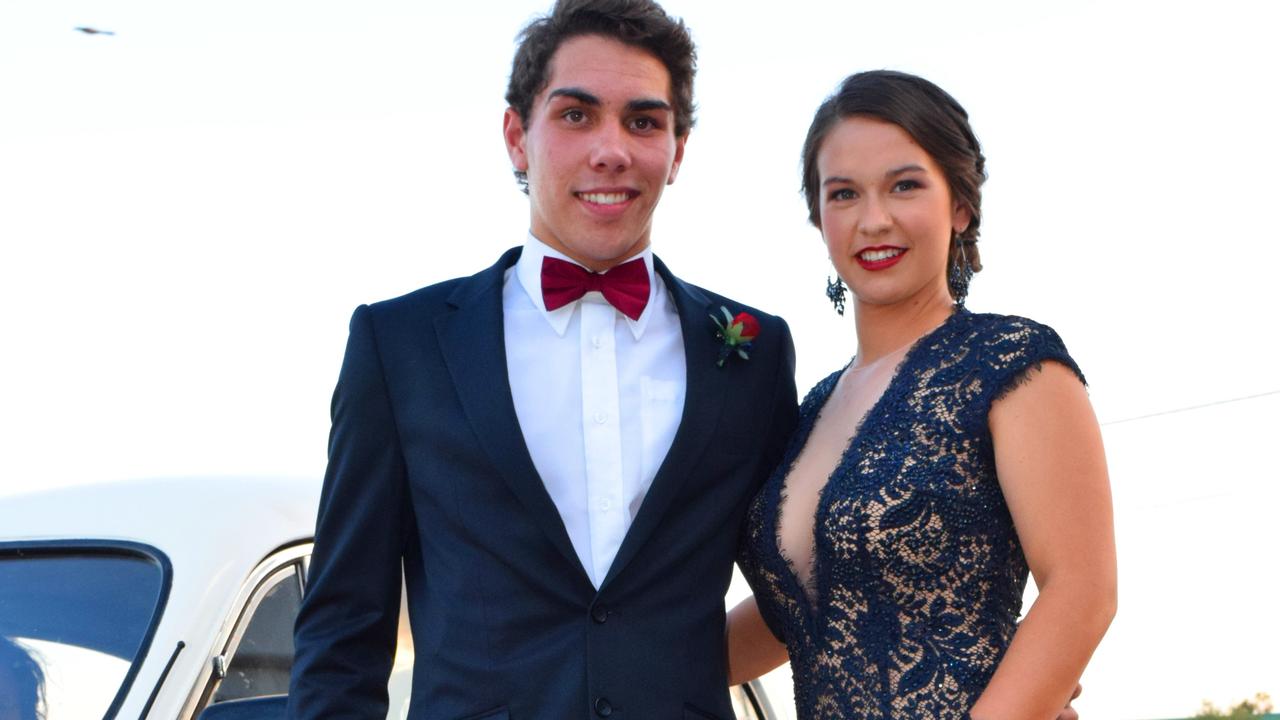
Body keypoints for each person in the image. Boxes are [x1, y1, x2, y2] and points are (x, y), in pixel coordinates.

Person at [285, 1, 799, 718]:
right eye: (576, 115)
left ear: (679, 149)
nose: (611, 149)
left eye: (644, 121)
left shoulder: (752, 349)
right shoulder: (398, 344)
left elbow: (801, 591)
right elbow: (344, 629)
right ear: (516, 137)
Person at [730, 71, 1117, 719]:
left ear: (959, 205)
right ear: (819, 217)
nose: (873, 219)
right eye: (844, 193)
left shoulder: (1012, 361)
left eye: (904, 185)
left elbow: (1082, 590)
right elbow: (794, 614)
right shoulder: (809, 414)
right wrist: (600, 650)